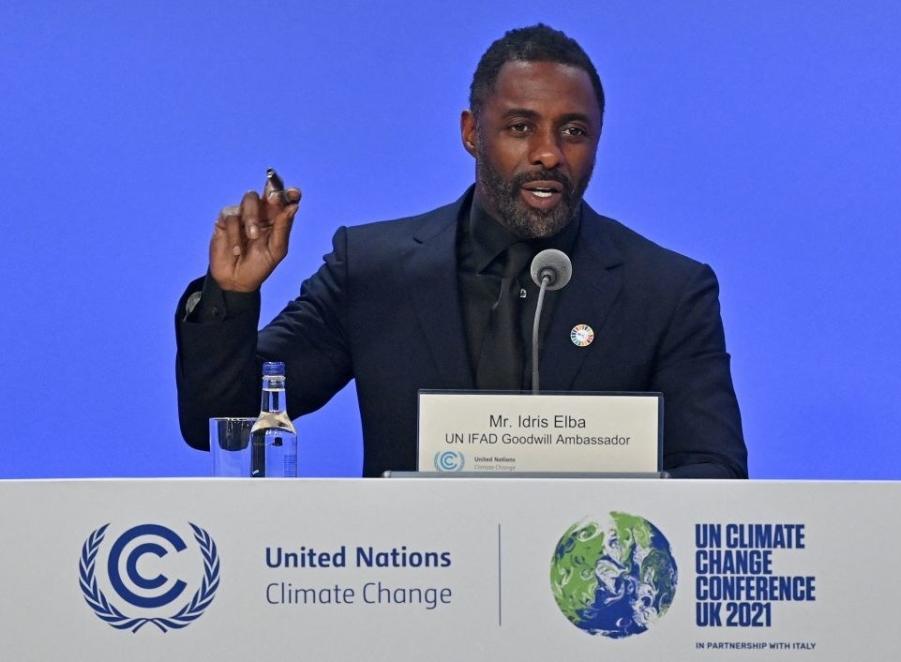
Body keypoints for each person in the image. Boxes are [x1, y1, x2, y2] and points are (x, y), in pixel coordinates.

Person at [176, 24, 748, 479]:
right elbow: (218, 422)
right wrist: (231, 293)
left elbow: (715, 470)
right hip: (411, 596)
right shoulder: (373, 271)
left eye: (574, 131)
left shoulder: (666, 290)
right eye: (521, 127)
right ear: (472, 132)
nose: (549, 153)